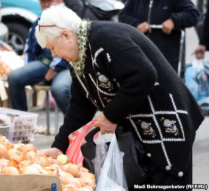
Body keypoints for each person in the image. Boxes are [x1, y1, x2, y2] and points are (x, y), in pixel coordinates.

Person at [36, 5, 204, 187]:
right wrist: (59, 146)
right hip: (140, 134)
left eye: (52, 47)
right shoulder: (79, 59)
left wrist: (110, 115)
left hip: (166, 124)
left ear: (66, 36)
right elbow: (79, 108)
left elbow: (143, 75)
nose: (54, 55)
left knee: (166, 180)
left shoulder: (105, 38)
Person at [7, 0, 72, 115]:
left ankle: (77, 125)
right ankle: (22, 120)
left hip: (68, 65)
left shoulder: (67, 17)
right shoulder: (41, 19)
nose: (45, 4)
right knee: (14, 77)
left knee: (59, 89)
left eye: (49, 1)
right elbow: (29, 47)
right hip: (46, 63)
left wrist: (52, 72)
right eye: (42, 1)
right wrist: (29, 67)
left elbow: (70, 49)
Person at [118, 0, 200, 77]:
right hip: (140, 58)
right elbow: (123, 15)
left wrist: (173, 21)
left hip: (168, 61)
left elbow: (193, 14)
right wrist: (137, 24)